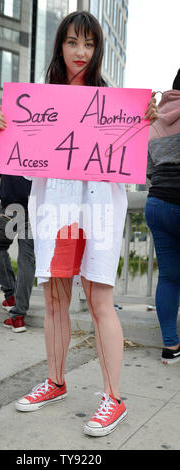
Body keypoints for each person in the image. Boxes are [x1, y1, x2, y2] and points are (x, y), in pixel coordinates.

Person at [0, 11, 158, 437]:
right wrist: (7, 130)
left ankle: (113, 397)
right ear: (60, 46)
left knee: (100, 297)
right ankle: (55, 381)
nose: (80, 52)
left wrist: (145, 122)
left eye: (88, 43)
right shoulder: (40, 100)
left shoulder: (115, 102)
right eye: (71, 42)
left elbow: (133, 153)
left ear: (98, 48)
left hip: (98, 206)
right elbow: (27, 166)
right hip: (57, 207)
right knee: (54, 299)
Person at [145, 69, 180, 365]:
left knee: (168, 277)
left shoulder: (154, 120)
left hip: (157, 204)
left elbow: (147, 171)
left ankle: (171, 347)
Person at [0, 173, 35, 333]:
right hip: (32, 208)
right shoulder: (42, 148)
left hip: (9, 207)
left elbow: (1, 175)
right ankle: (18, 317)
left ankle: (10, 296)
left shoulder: (9, 147)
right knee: (27, 259)